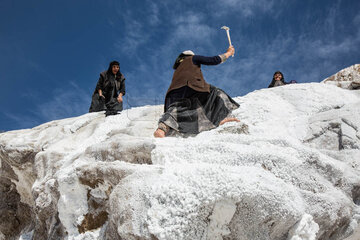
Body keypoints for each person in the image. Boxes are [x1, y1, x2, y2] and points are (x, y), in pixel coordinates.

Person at [154, 47, 240, 138]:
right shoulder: (192, 58)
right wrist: (228, 53)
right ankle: (222, 118)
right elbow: (214, 60)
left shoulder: (178, 68)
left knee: (180, 106)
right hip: (191, 85)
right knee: (216, 93)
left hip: (173, 92)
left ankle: (162, 129)